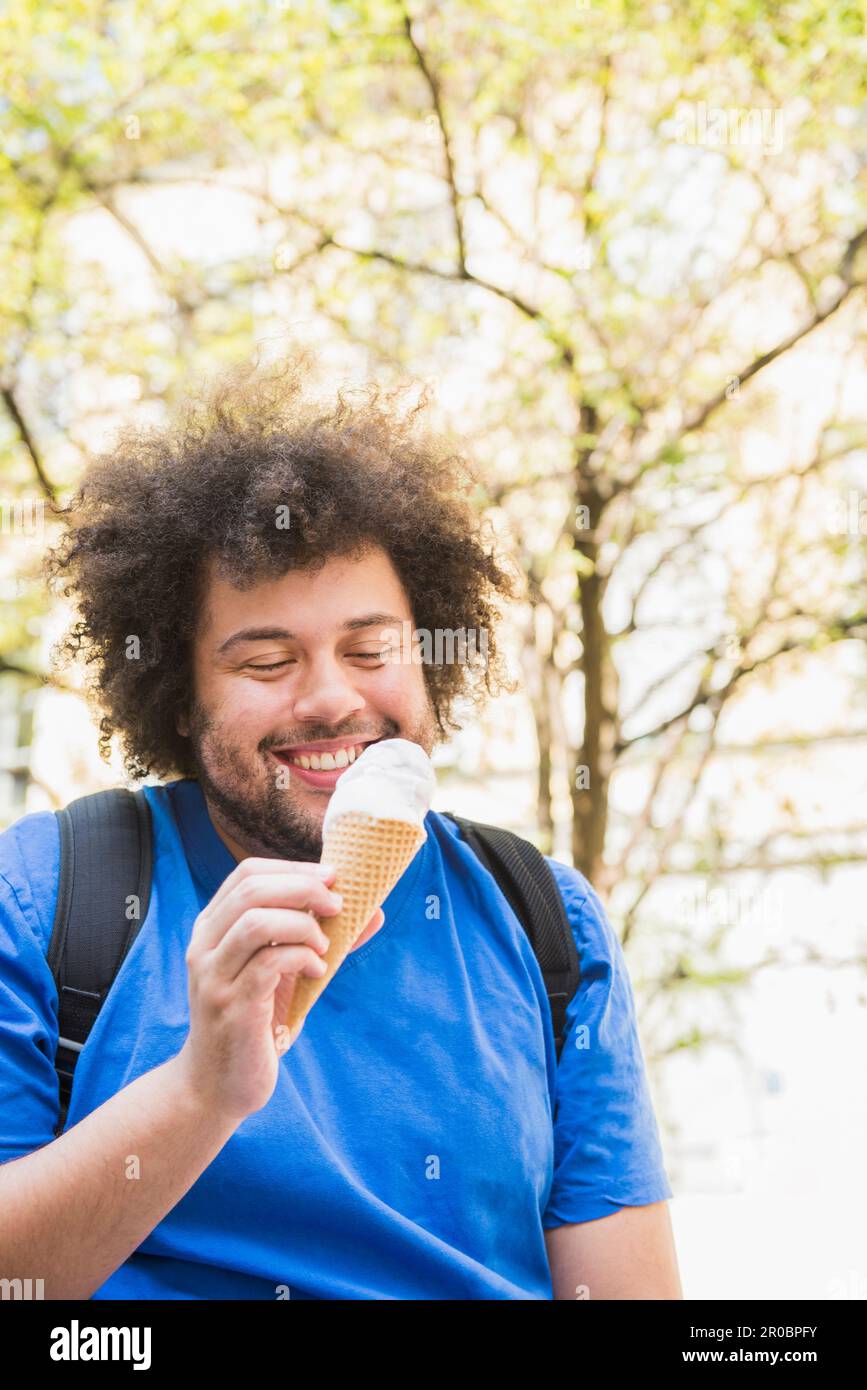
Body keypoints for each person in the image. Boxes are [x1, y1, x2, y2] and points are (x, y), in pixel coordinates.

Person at [0, 352, 681, 1300]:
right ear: (182, 700)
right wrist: (202, 1090)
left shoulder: (545, 920)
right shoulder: (46, 894)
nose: (331, 699)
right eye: (266, 661)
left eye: (370, 649)